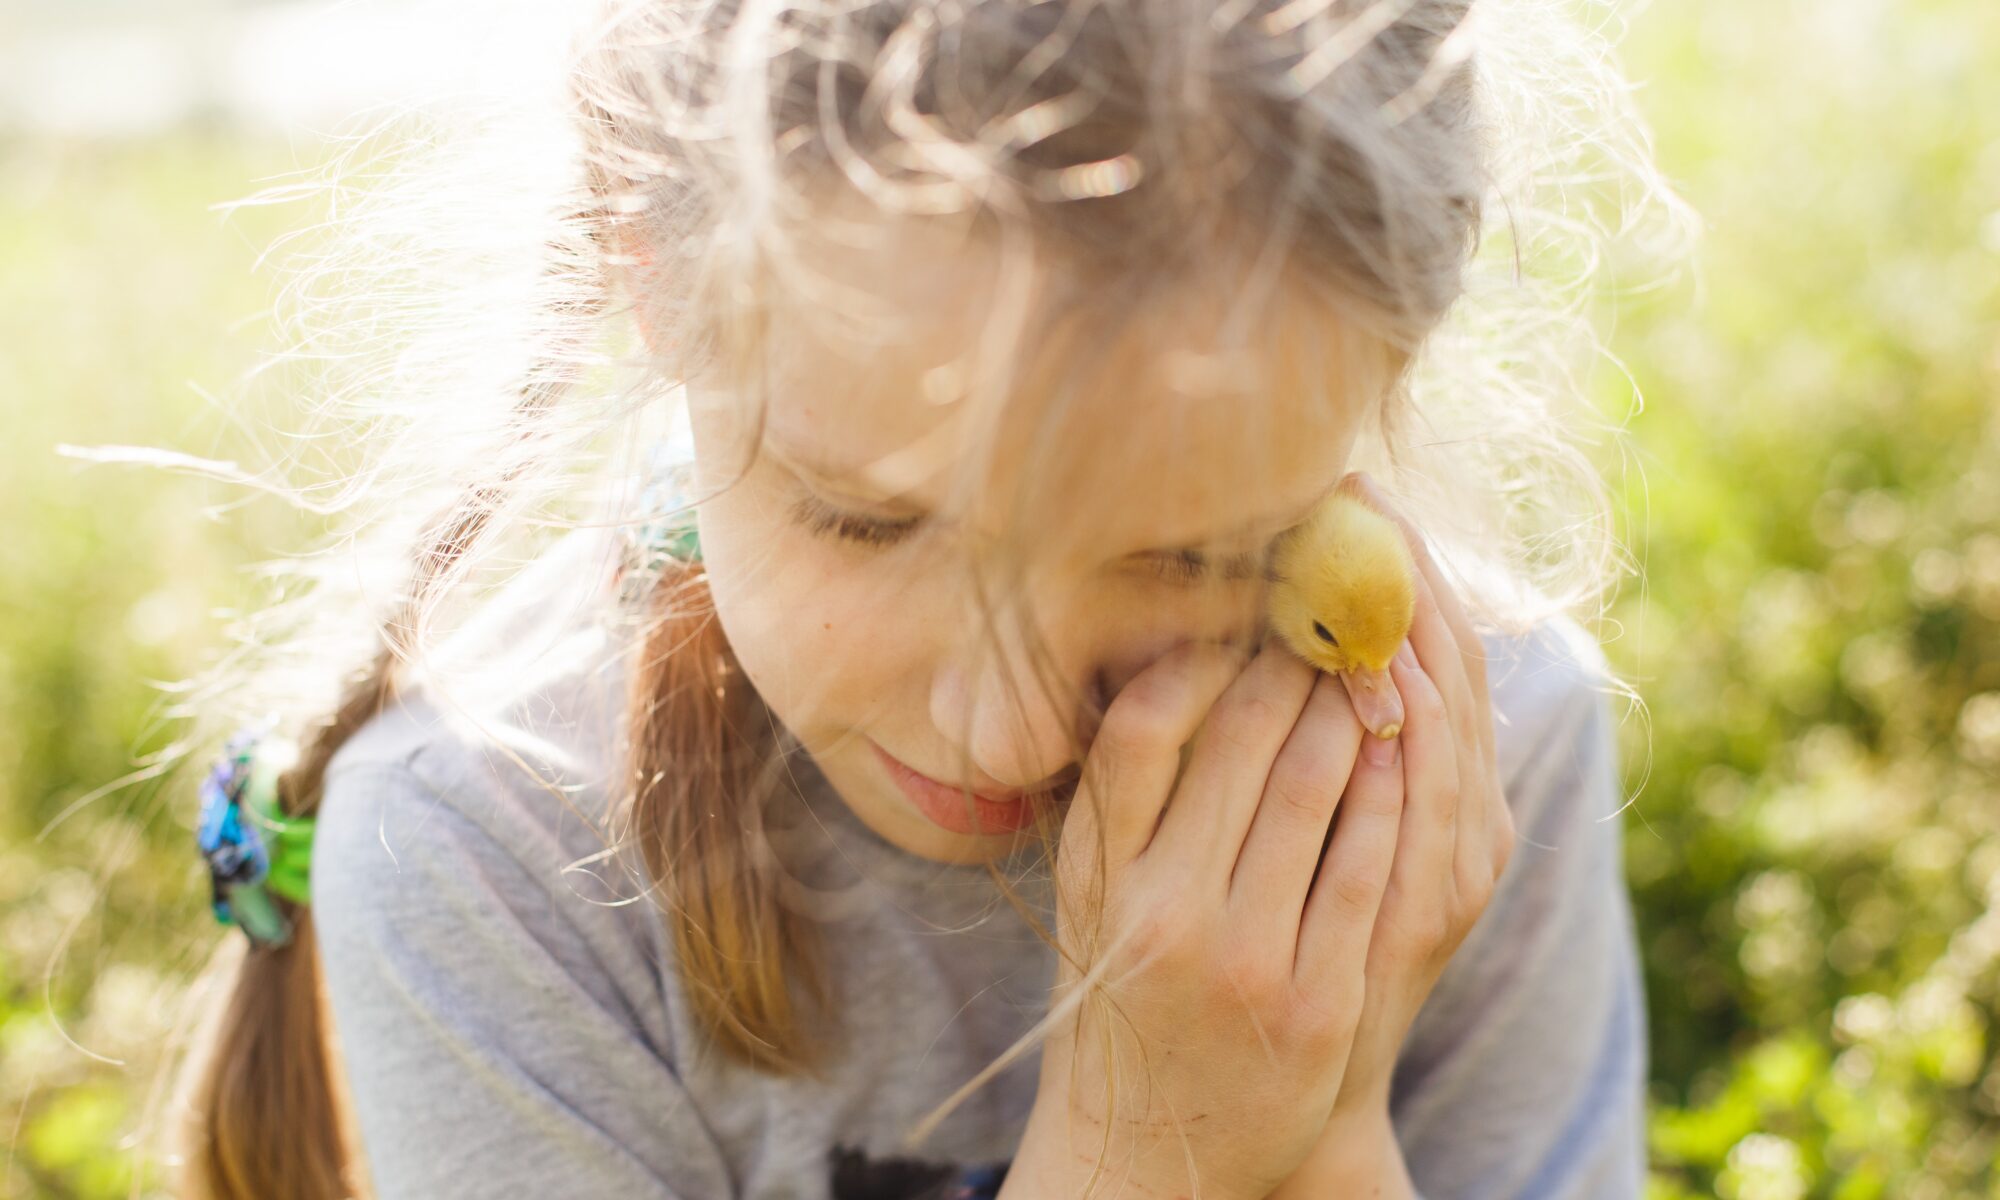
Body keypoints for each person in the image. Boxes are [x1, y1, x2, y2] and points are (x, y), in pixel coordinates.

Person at [170, 0, 1684, 1195]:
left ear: (1390, 356)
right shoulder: (487, 857)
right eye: (863, 521)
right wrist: (1147, 1157)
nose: (1009, 728)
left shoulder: (1467, 768)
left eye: (1192, 553)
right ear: (651, 278)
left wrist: (1331, 1122)